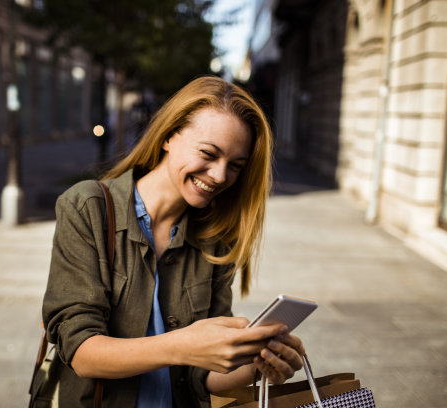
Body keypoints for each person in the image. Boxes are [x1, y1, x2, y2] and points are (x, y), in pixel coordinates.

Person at [42, 76, 305, 407]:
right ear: (168, 135)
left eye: (235, 166)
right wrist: (185, 344)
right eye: (209, 153)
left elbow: (201, 376)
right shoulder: (88, 207)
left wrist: (256, 364)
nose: (220, 176)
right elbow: (82, 353)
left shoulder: (217, 236)